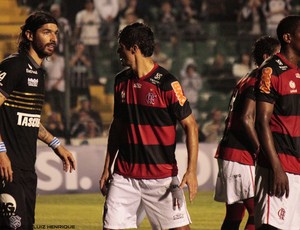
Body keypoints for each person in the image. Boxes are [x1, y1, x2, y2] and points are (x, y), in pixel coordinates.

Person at [99, 22, 199, 230]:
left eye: (122, 47)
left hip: (161, 178)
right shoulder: (120, 82)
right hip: (124, 177)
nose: (119, 51)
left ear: (134, 48)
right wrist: (107, 167)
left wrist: (191, 171)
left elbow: (191, 126)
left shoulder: (167, 83)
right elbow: (117, 126)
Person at [0, 11, 76, 229]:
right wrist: (1, 152)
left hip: (26, 169)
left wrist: (55, 144)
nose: (53, 38)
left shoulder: (39, 73)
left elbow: (30, 118)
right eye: (46, 32)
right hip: (7, 168)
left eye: (56, 33)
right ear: (29, 35)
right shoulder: (13, 66)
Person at [214, 36, 280, 230]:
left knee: (234, 215)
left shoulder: (245, 78)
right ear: (267, 57)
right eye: (277, 55)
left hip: (229, 153)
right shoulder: (258, 79)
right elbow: (246, 118)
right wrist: (261, 150)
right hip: (241, 155)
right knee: (257, 212)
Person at [255, 15, 300, 230]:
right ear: (288, 37)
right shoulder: (271, 70)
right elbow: (261, 122)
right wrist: (276, 167)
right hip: (280, 166)